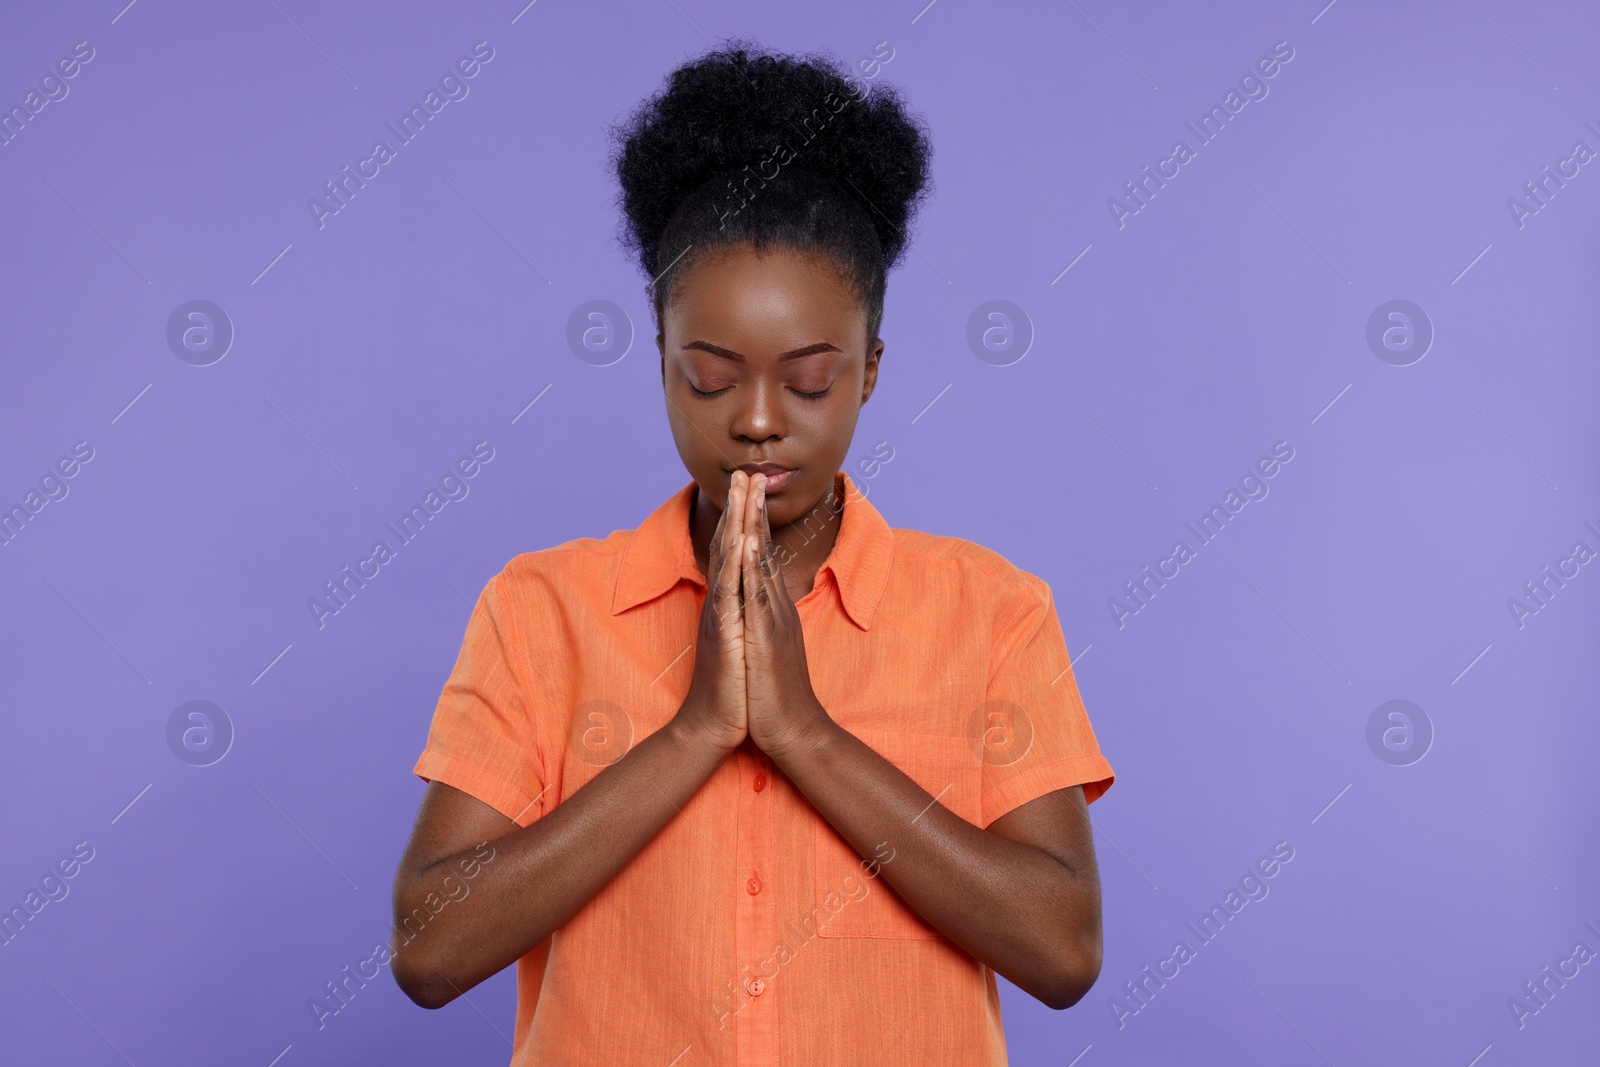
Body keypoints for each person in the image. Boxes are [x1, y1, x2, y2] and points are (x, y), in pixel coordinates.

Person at [390, 40, 1115, 1066]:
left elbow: (1062, 948)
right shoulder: (541, 608)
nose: (760, 420)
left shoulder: (992, 611)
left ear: (868, 371)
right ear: (660, 363)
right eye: (712, 377)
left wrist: (805, 733)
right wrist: (694, 730)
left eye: (810, 381)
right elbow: (428, 949)